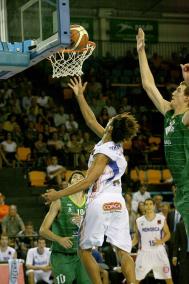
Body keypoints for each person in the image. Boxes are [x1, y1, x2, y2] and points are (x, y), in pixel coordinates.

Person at [43, 76, 139, 284]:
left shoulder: (102, 154)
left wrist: (57, 194)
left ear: (111, 129)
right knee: (122, 251)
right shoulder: (115, 144)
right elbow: (90, 120)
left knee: (84, 250)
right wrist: (80, 96)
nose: (107, 120)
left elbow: (87, 183)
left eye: (110, 121)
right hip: (118, 202)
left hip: (100, 201)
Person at [137, 28, 189, 236]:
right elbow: (148, 86)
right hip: (182, 186)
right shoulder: (169, 113)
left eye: (178, 90)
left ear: (187, 99)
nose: (173, 92)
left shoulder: (186, 118)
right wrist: (141, 51)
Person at [40, 171, 91, 284]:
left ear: (85, 183)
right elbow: (43, 230)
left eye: (81, 177)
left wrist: (84, 222)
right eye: (74, 177)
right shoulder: (59, 201)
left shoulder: (90, 202)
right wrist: (59, 239)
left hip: (83, 253)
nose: (78, 178)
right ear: (68, 185)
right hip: (61, 254)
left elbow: (98, 228)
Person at [132, 198, 173, 284]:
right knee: (136, 280)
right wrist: (128, 246)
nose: (149, 206)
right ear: (144, 207)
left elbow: (168, 234)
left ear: (154, 206)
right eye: (146, 204)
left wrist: (161, 241)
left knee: (168, 279)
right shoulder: (139, 221)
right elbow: (136, 238)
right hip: (144, 253)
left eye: (151, 204)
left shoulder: (161, 219)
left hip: (159, 252)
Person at [172, 219, 189, 284]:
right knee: (184, 278)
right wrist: (174, 255)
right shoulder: (180, 225)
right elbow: (176, 242)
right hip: (184, 255)